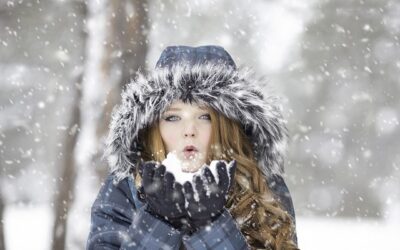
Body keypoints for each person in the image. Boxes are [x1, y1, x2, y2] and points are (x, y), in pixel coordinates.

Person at [86, 45, 299, 250]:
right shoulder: (125, 189)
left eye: (205, 116)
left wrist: (212, 227)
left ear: (228, 127)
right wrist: (157, 221)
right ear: (153, 126)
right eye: (173, 117)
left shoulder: (261, 185)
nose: (189, 130)